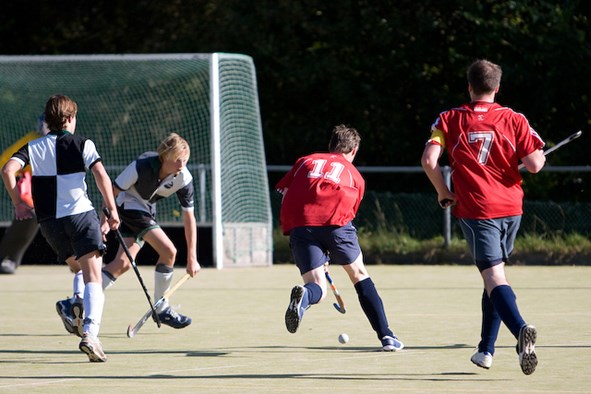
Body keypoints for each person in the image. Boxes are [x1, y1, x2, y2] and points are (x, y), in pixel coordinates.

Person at [421, 59, 546, 375]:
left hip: (478, 210)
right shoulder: (513, 118)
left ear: (469, 86)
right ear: (498, 87)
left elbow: (429, 159)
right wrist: (537, 155)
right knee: (494, 276)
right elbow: (534, 164)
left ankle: (520, 333)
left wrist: (443, 191)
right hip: (511, 208)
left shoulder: (449, 119)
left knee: (493, 277)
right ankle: (485, 350)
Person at [1, 94, 120, 362]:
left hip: (50, 223)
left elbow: (8, 170)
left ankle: (75, 303)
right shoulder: (83, 143)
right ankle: (91, 333)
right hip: (80, 216)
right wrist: (111, 209)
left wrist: (19, 203)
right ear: (68, 119)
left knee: (77, 267)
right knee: (94, 276)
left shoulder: (33, 147)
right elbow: (101, 175)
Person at [277, 124, 404, 351]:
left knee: (316, 286)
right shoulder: (354, 174)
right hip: (335, 225)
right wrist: (329, 246)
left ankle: (304, 297)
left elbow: (286, 193)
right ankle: (387, 337)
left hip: (300, 224)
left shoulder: (305, 161)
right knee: (359, 274)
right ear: (353, 150)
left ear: (331, 145)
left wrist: (318, 251)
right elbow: (347, 213)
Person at [56, 132, 200, 332]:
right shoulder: (141, 166)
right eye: (177, 160)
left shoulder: (184, 178)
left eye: (185, 160)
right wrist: (103, 221)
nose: (182, 164)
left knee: (122, 264)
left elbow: (189, 217)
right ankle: (162, 307)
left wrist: (192, 257)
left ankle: (74, 303)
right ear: (165, 157)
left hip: (146, 209)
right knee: (169, 252)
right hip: (126, 206)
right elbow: (112, 192)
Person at [0, 115, 49, 274]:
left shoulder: (64, 141)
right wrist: (22, 175)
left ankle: (85, 259)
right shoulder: (32, 140)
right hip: (32, 193)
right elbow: (4, 162)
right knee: (29, 216)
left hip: (58, 192)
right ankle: (9, 258)